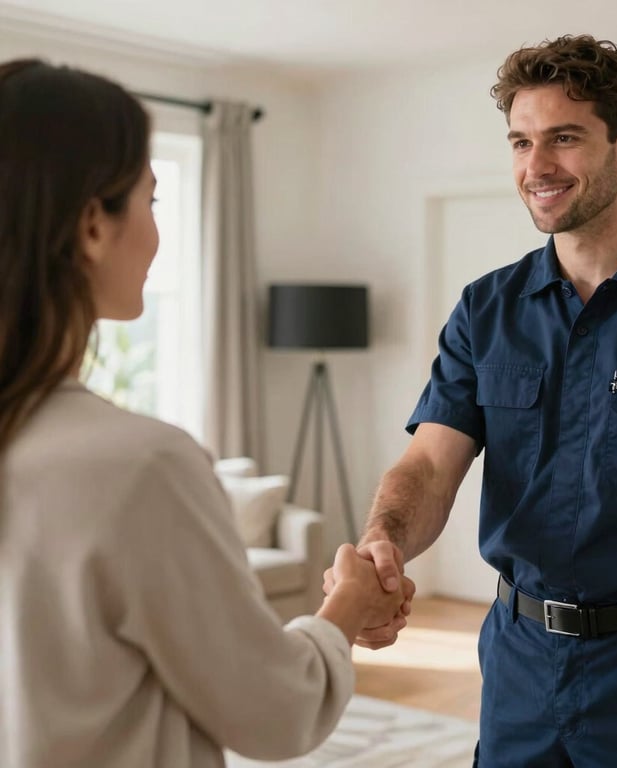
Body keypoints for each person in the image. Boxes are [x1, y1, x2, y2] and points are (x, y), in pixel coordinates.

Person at [328, 34, 617, 767]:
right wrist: (384, 545)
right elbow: (430, 465)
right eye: (521, 142)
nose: (537, 167)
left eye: (564, 138)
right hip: (519, 665)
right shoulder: (485, 309)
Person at [0, 58, 410, 768]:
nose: (159, 237)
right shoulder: (138, 467)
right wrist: (344, 608)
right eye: (152, 202)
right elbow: (276, 713)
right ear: (94, 224)